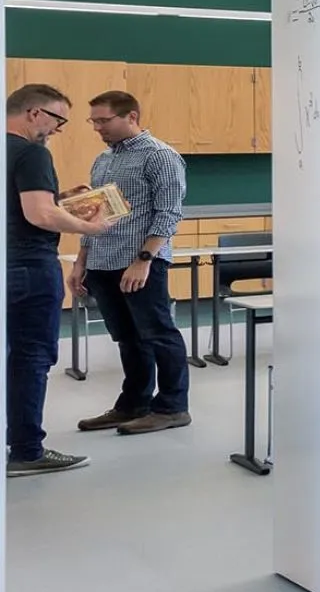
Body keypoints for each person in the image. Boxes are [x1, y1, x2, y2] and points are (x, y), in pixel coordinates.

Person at [6, 84, 116, 476]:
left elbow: (26, 206)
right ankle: (26, 450)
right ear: (35, 113)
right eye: (58, 119)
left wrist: (60, 197)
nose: (58, 129)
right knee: (31, 358)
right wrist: (93, 228)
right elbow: (40, 216)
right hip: (29, 269)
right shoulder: (33, 152)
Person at [68, 91, 191, 435]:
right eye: (93, 121)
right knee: (127, 337)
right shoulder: (103, 160)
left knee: (157, 333)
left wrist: (145, 259)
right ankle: (133, 404)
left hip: (140, 262)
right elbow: (95, 214)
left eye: (104, 120)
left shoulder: (160, 156)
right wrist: (81, 260)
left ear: (131, 117)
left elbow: (169, 213)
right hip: (103, 261)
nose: (97, 128)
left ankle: (172, 406)